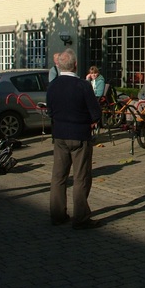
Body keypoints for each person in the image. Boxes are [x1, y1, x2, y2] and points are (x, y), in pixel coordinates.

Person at [47, 48, 102, 229]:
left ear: (60, 65)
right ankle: (80, 218)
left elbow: (50, 111)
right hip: (79, 135)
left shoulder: (53, 85)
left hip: (60, 134)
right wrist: (91, 120)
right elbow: (95, 113)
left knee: (58, 176)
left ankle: (57, 214)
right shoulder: (82, 85)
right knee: (81, 177)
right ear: (75, 65)